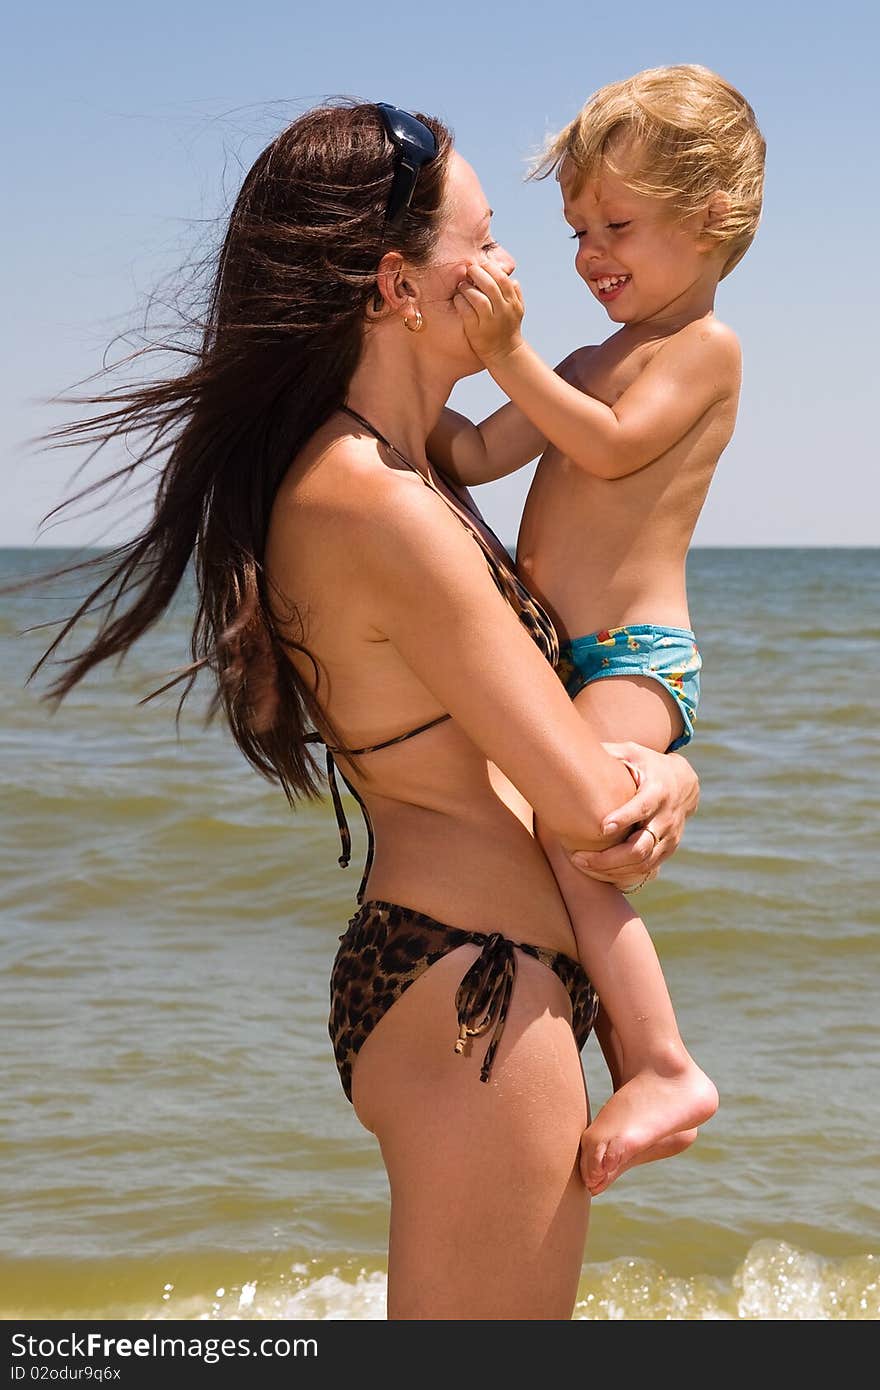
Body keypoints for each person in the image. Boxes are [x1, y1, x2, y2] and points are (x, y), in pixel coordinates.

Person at [27, 99, 702, 1321]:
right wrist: (671, 777)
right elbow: (594, 809)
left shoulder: (400, 471)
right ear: (397, 282)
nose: (512, 273)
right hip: (480, 987)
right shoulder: (375, 505)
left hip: (450, 972)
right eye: (486, 242)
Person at [428, 64, 765, 1194]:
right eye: (576, 229)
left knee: (577, 829)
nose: (587, 254)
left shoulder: (700, 352)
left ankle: (668, 1062)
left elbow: (614, 445)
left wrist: (505, 352)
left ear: (710, 217)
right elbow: (473, 455)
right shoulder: (576, 363)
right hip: (560, 659)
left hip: (632, 658)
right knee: (543, 843)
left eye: (615, 224)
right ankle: (625, 1057)